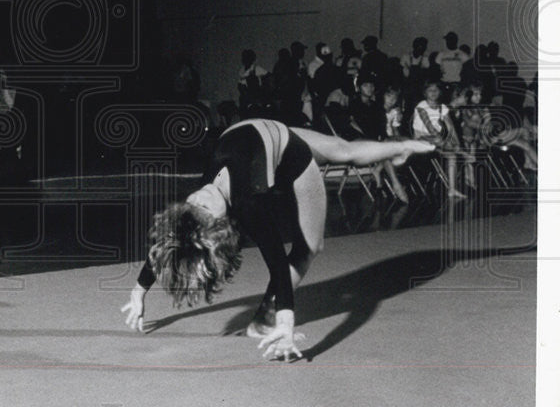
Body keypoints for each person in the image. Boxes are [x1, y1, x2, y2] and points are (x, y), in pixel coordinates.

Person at [120, 119, 434, 362]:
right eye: (203, 209)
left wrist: (139, 290)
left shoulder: (202, 198)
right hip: (292, 157)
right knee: (310, 247)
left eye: (191, 204)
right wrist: (286, 322)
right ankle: (265, 320)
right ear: (219, 224)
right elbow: (278, 268)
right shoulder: (250, 204)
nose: (199, 198)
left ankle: (400, 148)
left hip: (273, 132)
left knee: (345, 150)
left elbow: (172, 240)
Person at [412, 80, 464, 198]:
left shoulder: (442, 107)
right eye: (430, 90)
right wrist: (446, 143)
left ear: (440, 92)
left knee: (452, 155)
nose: (433, 92)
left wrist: (457, 142)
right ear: (425, 93)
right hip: (421, 138)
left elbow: (450, 127)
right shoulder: (421, 106)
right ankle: (456, 150)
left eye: (436, 90)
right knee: (439, 139)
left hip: (436, 141)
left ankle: (452, 189)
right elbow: (430, 127)